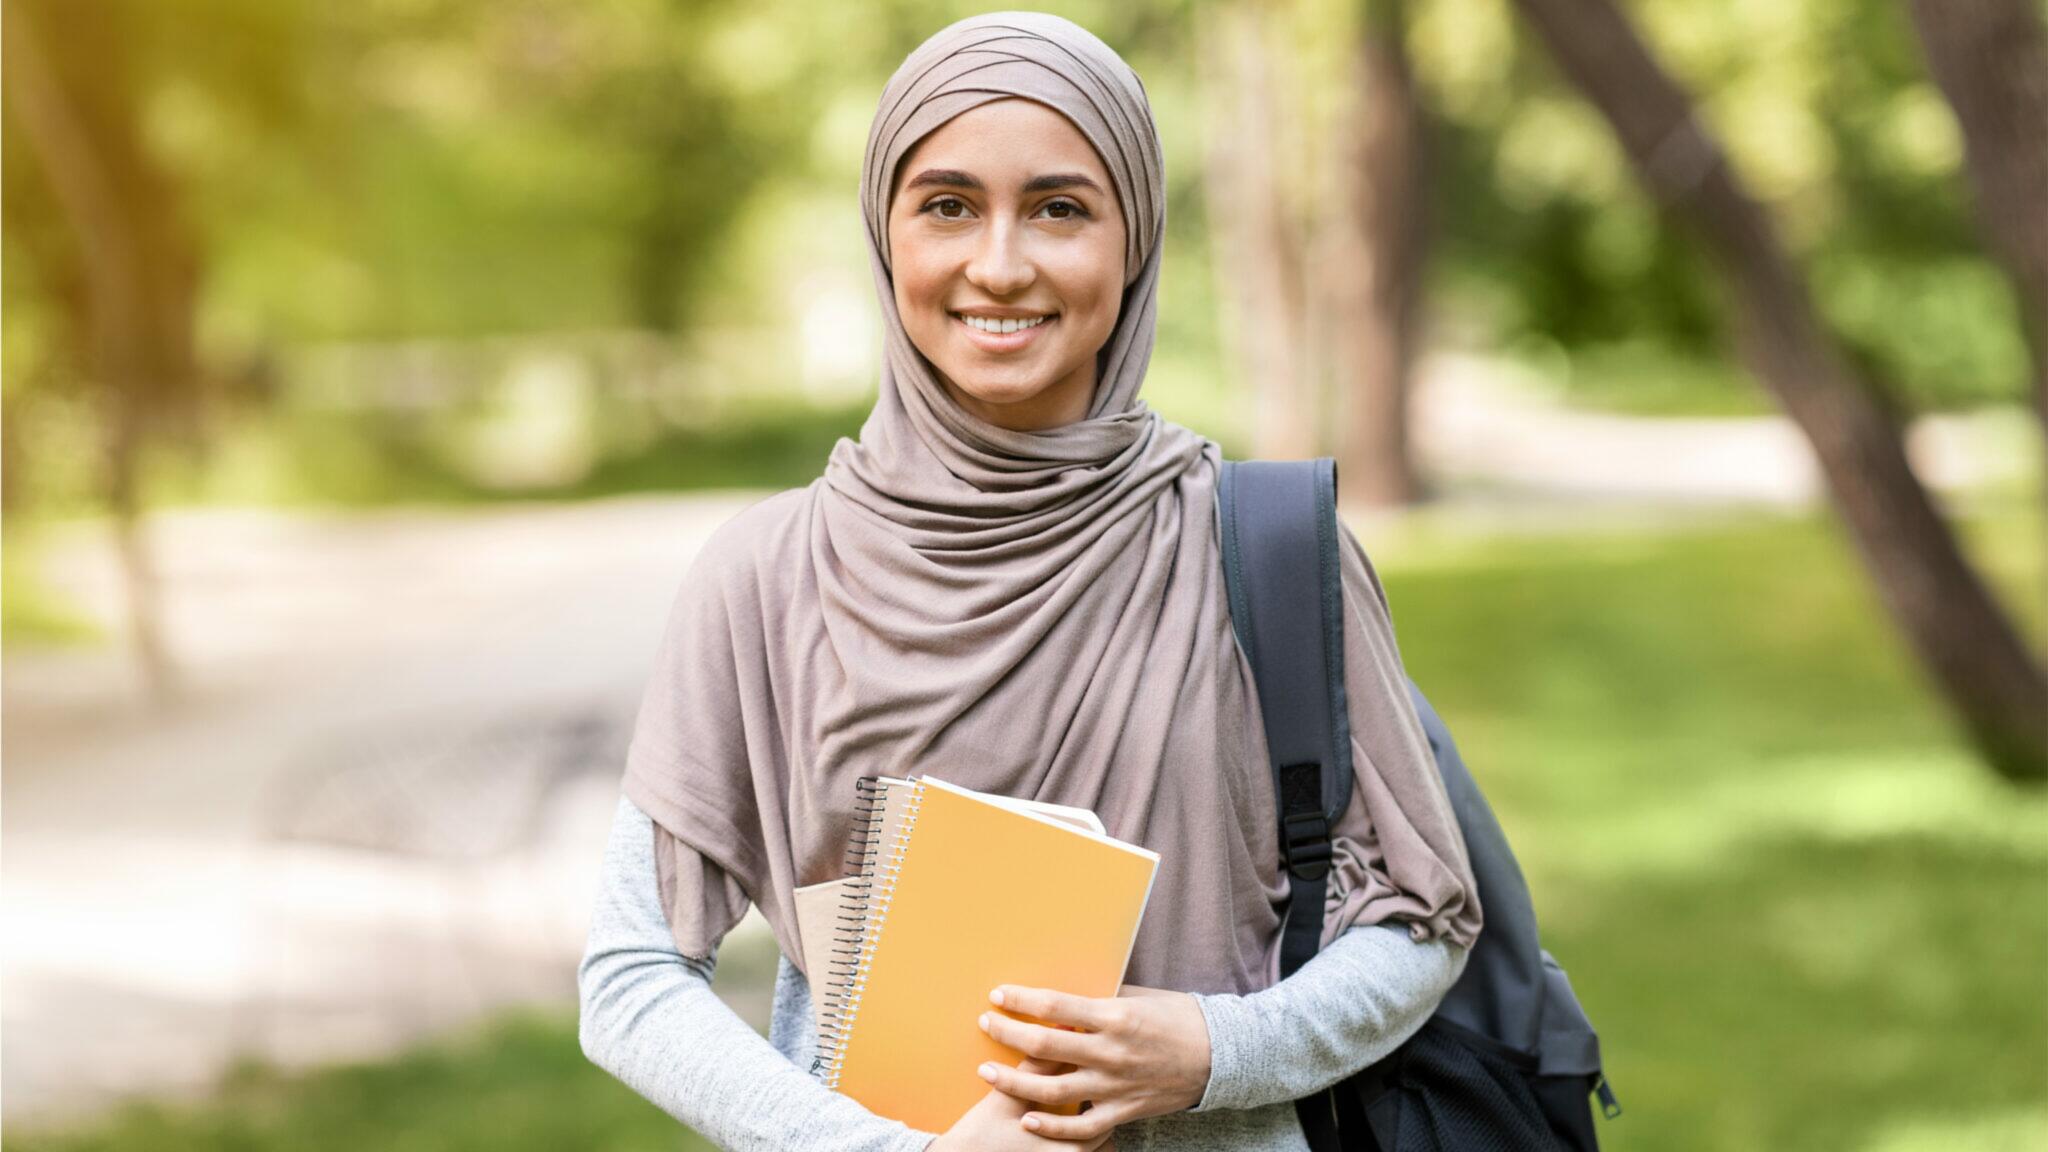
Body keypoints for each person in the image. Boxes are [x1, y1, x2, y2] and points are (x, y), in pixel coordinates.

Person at [577, 12, 1483, 1152]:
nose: (997, 264)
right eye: (947, 205)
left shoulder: (1259, 547)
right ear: (885, 232)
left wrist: (1214, 1050)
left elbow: (1420, 921)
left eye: (1058, 207)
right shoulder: (764, 578)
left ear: (1134, 240)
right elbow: (631, 976)